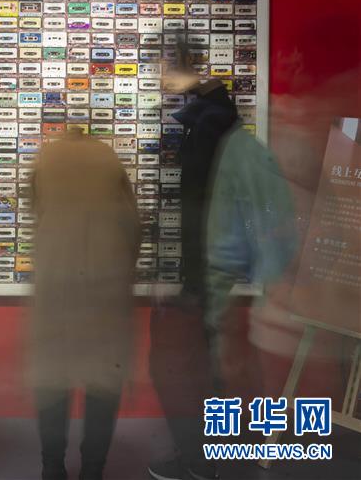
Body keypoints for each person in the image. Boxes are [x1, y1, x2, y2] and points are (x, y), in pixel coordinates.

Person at [28, 127, 140, 480]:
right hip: (105, 286)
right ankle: (93, 469)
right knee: (103, 382)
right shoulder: (108, 159)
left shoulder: (46, 158)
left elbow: (35, 210)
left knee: (52, 380)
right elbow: (132, 224)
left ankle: (51, 466)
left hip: (56, 285)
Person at [147, 62, 239, 480]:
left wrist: (188, 273)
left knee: (194, 368)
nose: (161, 78)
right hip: (205, 263)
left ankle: (202, 460)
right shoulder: (211, 116)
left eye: (167, 69)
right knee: (200, 364)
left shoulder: (210, 122)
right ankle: (205, 458)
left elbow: (200, 203)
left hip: (206, 264)